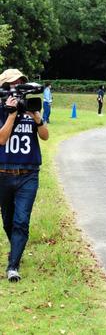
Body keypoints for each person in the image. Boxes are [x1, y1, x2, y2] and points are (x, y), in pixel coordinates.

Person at [0, 68, 49, 282]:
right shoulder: (1, 110)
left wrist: (37, 117)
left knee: (21, 220)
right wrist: (11, 114)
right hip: (3, 173)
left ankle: (13, 266)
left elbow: (45, 136)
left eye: (20, 84)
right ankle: (16, 249)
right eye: (12, 84)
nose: (16, 89)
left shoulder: (31, 107)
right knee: (8, 220)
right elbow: (1, 140)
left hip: (29, 174)